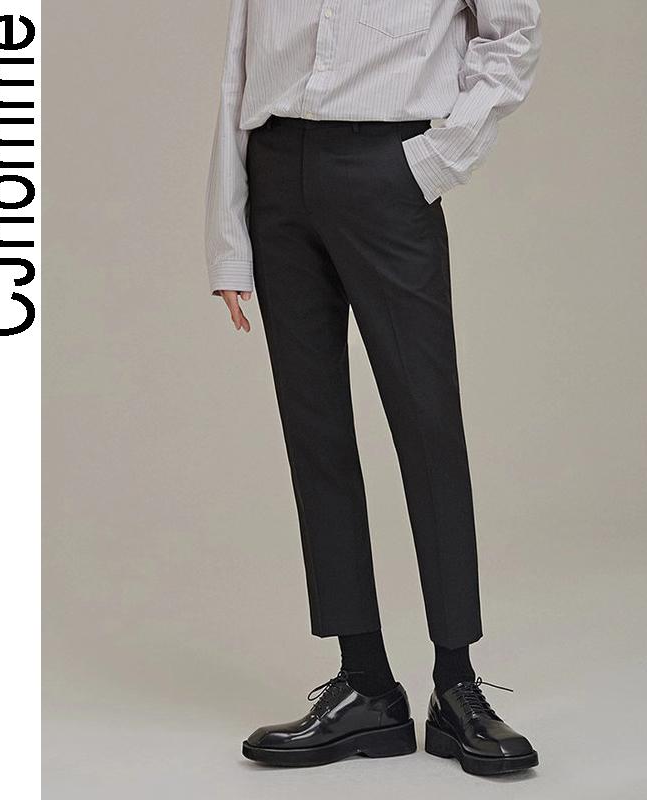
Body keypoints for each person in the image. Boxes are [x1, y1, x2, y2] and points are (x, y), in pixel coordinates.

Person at [205, 0, 541, 776]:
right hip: (275, 170)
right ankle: (365, 687)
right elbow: (237, 68)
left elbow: (512, 35)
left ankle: (456, 687)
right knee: (315, 434)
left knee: (428, 427)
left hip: (387, 168)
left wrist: (437, 159)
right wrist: (228, 237)